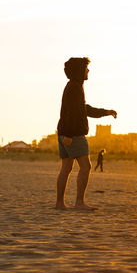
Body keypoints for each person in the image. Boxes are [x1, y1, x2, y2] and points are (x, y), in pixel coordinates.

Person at [55, 57, 117, 210]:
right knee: (86, 166)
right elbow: (71, 113)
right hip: (73, 134)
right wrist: (69, 135)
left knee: (66, 167)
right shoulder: (75, 87)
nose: (88, 71)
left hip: (64, 132)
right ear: (79, 71)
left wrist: (106, 112)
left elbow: (83, 109)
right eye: (86, 68)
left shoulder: (73, 86)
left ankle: (60, 203)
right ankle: (79, 203)